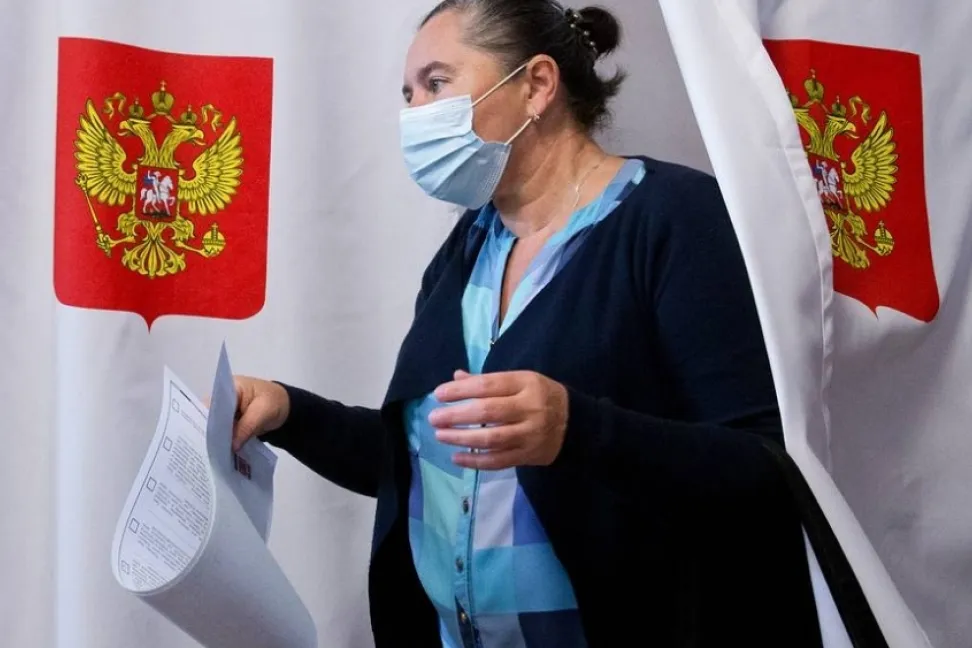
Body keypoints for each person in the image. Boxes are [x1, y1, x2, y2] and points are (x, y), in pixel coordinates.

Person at [232, 1, 823, 646]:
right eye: (407, 95)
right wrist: (289, 412)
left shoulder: (673, 219)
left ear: (537, 85)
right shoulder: (470, 247)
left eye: (436, 83)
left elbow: (765, 473)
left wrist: (577, 428)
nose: (415, 114)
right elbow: (426, 459)